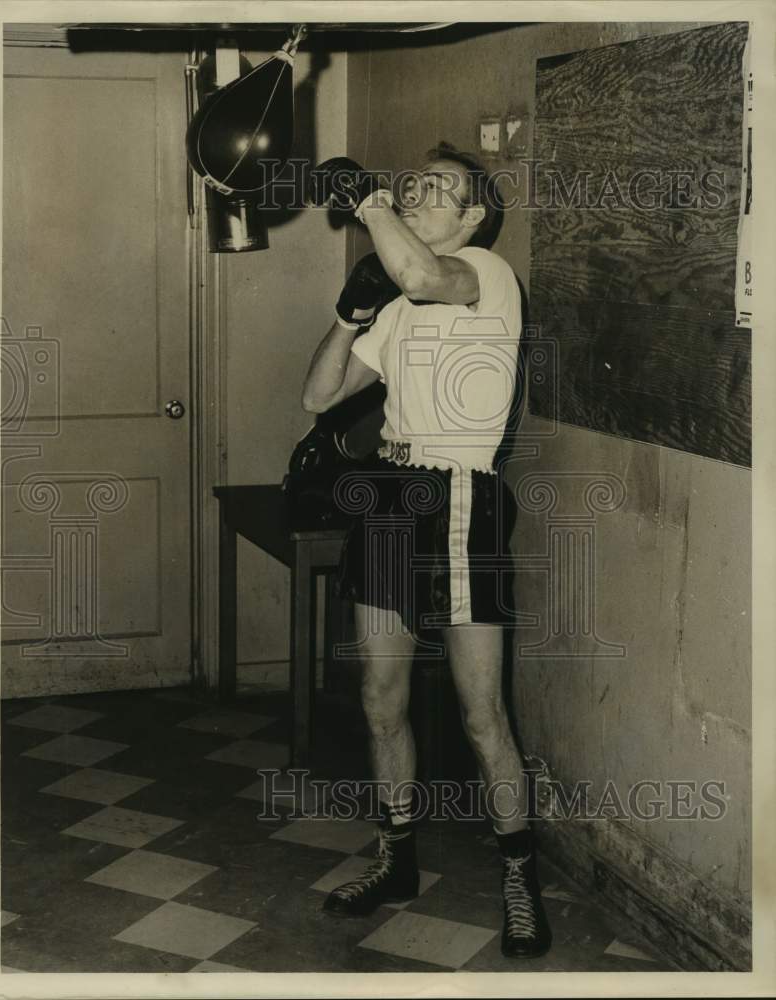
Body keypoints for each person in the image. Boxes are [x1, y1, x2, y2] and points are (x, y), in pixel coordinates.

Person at [301, 142, 552, 959]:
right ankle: (396, 859)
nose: (413, 195)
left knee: (482, 714)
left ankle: (520, 878)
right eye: (408, 187)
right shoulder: (402, 300)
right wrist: (347, 315)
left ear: (473, 215)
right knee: (381, 698)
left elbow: (418, 274)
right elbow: (319, 395)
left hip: (458, 496)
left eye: (433, 189)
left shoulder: (485, 273)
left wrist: (369, 200)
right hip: (391, 492)